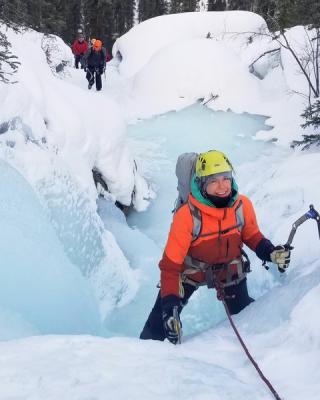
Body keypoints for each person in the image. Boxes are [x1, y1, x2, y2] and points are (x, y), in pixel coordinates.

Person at [140, 150, 291, 344]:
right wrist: (169, 308)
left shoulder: (242, 205)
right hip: (190, 272)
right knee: (157, 328)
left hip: (227, 270)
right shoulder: (187, 216)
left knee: (247, 315)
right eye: (213, 180)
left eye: (225, 178)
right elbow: (170, 265)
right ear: (202, 184)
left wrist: (270, 252)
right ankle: (142, 360)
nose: (222, 186)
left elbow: (252, 235)